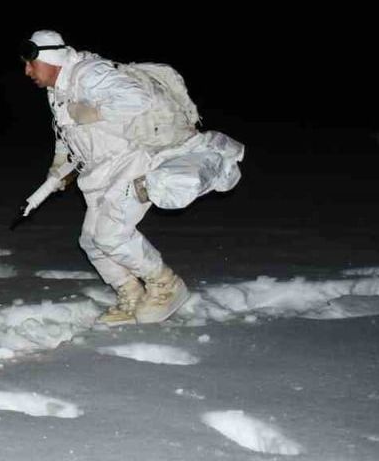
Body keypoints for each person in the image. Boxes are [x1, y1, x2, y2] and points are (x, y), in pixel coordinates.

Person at [19, 29, 243, 325]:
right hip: (100, 170)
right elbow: (66, 131)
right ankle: (131, 294)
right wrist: (59, 164)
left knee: (111, 235)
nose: (26, 71)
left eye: (30, 64)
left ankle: (165, 285)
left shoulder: (89, 73)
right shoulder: (57, 90)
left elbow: (138, 100)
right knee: (91, 241)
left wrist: (90, 112)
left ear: (49, 58)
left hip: (132, 161)